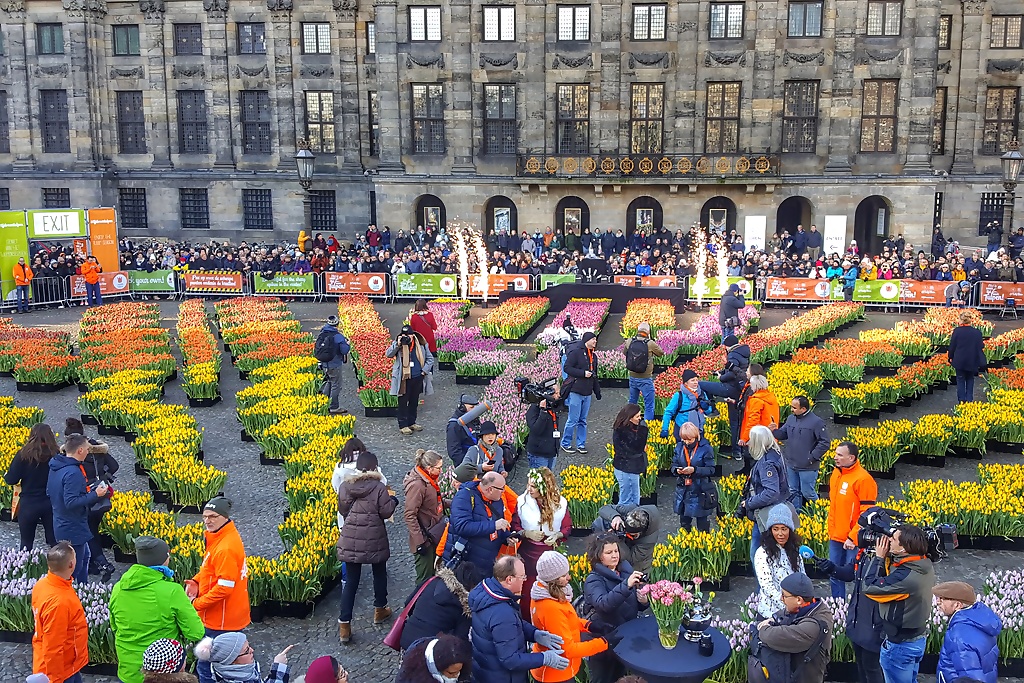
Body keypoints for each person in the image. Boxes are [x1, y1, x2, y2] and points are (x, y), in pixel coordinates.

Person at [109, 536, 206, 683]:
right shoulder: (172, 591)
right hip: (164, 674)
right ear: (164, 559)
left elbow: (115, 626)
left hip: (128, 671)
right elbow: (196, 632)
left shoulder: (118, 588)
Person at [468, 555, 568, 683]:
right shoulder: (502, 613)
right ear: (509, 579)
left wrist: (534, 634)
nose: (525, 581)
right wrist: (544, 658)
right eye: (522, 577)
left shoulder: (487, 594)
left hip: (485, 672)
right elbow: (511, 660)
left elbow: (511, 626)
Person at [183, 496, 250, 683]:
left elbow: (224, 588)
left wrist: (196, 604)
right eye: (205, 516)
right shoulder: (221, 538)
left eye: (213, 516)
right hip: (224, 616)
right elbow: (209, 569)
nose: (207, 521)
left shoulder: (225, 547)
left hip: (220, 620)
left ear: (224, 517)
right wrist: (196, 581)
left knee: (207, 667)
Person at [336, 451, 398, 644]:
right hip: (374, 536)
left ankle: (344, 625)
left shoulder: (346, 485)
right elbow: (385, 511)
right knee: (379, 572)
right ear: (374, 467)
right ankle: (380, 609)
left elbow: (343, 510)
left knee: (352, 581)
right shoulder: (378, 487)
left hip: (351, 537)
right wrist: (393, 500)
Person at [863, 525, 937, 683]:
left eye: (893, 539)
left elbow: (869, 587)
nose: (888, 540)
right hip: (916, 639)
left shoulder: (908, 578)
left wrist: (878, 558)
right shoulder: (923, 563)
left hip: (900, 645)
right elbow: (896, 567)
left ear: (903, 549)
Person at [816, 527, 885, 683]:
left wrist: (880, 558)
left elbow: (872, 584)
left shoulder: (887, 560)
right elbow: (850, 572)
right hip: (857, 621)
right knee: (861, 667)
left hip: (874, 626)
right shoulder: (865, 554)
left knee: (872, 669)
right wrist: (832, 568)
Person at [529, 551, 610, 683]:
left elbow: (566, 621)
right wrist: (604, 642)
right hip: (555, 675)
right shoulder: (550, 607)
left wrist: (589, 625)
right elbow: (568, 650)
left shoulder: (547, 594)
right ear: (553, 580)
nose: (569, 578)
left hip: (559, 671)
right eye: (563, 575)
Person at [582, 533, 649, 683]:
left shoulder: (626, 570)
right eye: (608, 552)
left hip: (625, 635)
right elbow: (603, 605)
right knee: (603, 678)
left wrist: (643, 600)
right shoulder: (594, 579)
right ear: (598, 556)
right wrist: (626, 585)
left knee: (621, 675)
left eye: (616, 551)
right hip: (603, 638)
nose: (614, 556)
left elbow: (632, 604)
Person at [47, 433, 111, 584]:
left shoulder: (56, 465)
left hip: (61, 521)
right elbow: (71, 502)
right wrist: (95, 494)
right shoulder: (73, 472)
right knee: (75, 566)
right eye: (87, 449)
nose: (89, 452)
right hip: (72, 525)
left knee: (86, 557)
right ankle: (77, 593)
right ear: (80, 450)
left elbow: (50, 492)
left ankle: (82, 590)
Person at [752, 572, 834, 683]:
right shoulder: (810, 607)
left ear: (799, 600)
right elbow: (785, 612)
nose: (781, 599)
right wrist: (774, 619)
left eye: (784, 596)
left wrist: (763, 628)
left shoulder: (814, 626)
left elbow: (775, 636)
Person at [63, 417, 118, 580]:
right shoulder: (95, 446)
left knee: (88, 531)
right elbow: (114, 465)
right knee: (93, 528)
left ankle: (101, 563)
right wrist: (103, 475)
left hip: (85, 497)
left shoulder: (69, 455)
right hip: (101, 496)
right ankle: (95, 562)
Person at [512, 468, 571, 617]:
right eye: (528, 484)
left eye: (533, 486)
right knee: (527, 589)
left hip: (549, 553)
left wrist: (558, 534)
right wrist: (526, 533)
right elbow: (514, 525)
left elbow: (567, 526)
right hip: (528, 554)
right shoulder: (522, 502)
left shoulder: (560, 503)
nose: (528, 489)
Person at [31, 542, 89, 683]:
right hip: (62, 671)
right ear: (71, 565)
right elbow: (53, 647)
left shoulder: (42, 584)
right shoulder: (60, 602)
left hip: (66, 665)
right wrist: (55, 679)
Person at [827, 441, 877, 599]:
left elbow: (867, 513)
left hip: (853, 540)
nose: (835, 457)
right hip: (835, 536)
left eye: (840, 455)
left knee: (857, 576)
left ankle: (857, 608)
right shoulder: (837, 474)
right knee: (834, 573)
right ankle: (838, 607)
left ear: (851, 457)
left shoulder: (863, 480)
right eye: (835, 454)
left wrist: (853, 536)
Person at [400, 561, 483, 650]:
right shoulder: (464, 606)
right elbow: (460, 640)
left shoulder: (432, 581)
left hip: (406, 639)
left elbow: (408, 603)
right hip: (429, 651)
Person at [737, 426, 790, 564]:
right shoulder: (775, 453)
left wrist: (749, 503)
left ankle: (763, 585)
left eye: (751, 440)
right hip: (775, 510)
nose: (748, 443)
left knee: (758, 556)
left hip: (766, 514)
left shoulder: (767, 463)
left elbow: (771, 492)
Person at [933, 581, 1002, 683]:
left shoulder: (959, 636)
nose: (938, 602)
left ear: (957, 605)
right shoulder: (979, 619)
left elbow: (970, 677)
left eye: (942, 599)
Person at [4, 422, 58, 550]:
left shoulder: (23, 455)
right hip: (50, 502)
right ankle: (58, 567)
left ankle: (27, 567)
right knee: (54, 541)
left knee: (26, 543)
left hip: (29, 503)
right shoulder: (56, 454)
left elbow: (11, 480)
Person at [443, 471, 511, 571]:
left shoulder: (497, 500)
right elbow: (462, 527)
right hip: (466, 564)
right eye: (502, 488)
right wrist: (493, 525)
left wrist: (507, 537)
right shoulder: (463, 497)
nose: (503, 491)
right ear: (490, 489)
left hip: (486, 563)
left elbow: (498, 525)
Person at [771, 396, 829, 510]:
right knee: (793, 491)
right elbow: (783, 434)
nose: (792, 409)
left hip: (808, 466)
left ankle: (819, 513)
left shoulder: (816, 422)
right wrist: (774, 430)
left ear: (803, 409)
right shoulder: (791, 419)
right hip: (791, 464)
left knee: (807, 493)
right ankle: (797, 515)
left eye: (794, 407)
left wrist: (811, 458)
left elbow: (825, 443)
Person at [698, 334, 750, 461]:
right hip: (740, 391)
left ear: (727, 346)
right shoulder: (744, 353)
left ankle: (712, 408)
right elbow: (738, 370)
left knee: (701, 384)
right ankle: (737, 452)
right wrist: (721, 372)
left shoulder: (732, 354)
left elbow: (732, 374)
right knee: (737, 422)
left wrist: (721, 377)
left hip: (730, 389)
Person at [753, 503, 805, 618]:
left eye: (784, 529)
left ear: (790, 530)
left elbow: (802, 578)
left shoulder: (795, 552)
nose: (780, 534)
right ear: (770, 531)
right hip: (770, 614)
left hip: (794, 610)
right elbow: (767, 586)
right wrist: (787, 606)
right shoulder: (762, 553)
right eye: (775, 529)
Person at [404, 449, 445, 583]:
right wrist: (420, 541)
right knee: (424, 580)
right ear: (429, 468)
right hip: (425, 539)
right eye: (439, 468)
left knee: (433, 575)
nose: (441, 471)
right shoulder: (417, 485)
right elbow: (410, 514)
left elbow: (434, 501)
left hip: (433, 533)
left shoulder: (428, 480)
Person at [387, 324, 435, 435]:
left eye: (408, 335)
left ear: (413, 335)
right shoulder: (398, 344)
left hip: (418, 376)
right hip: (403, 378)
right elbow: (388, 354)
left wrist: (424, 371)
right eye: (404, 335)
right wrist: (398, 345)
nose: (407, 337)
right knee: (403, 401)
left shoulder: (421, 344)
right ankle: (403, 425)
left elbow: (430, 359)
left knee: (414, 401)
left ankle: (412, 422)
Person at [671, 422, 717, 532]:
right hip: (683, 489)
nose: (687, 442)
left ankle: (703, 544)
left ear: (696, 437)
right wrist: (677, 470)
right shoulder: (679, 447)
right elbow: (673, 464)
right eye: (684, 439)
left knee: (702, 524)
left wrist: (695, 470)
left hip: (700, 489)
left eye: (690, 440)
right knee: (684, 522)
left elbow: (711, 469)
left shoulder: (706, 449)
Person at [561, 331, 601, 455]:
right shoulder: (576, 353)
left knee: (583, 420)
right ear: (586, 340)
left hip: (587, 392)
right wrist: (583, 373)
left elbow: (595, 375)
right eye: (593, 339)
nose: (595, 341)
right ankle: (565, 443)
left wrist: (597, 392)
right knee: (573, 419)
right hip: (576, 391)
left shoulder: (593, 357)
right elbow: (567, 368)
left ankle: (581, 444)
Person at [194, 634, 293, 683]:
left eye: (249, 646)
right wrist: (279, 668)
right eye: (246, 650)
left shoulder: (239, 675)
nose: (252, 650)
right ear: (231, 661)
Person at [591, 504, 659, 573]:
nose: (626, 534)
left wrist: (617, 539)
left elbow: (631, 559)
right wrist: (615, 517)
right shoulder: (631, 510)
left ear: (640, 533)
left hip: (626, 547)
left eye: (631, 535)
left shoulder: (647, 541)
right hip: (602, 526)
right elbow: (604, 509)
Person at [612, 404, 649, 507]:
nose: (640, 419)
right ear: (630, 418)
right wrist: (643, 430)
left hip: (629, 467)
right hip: (627, 469)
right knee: (628, 500)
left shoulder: (623, 428)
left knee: (632, 498)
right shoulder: (623, 432)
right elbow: (637, 447)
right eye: (637, 416)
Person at [625, 322, 664, 421]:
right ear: (648, 331)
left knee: (632, 402)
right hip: (645, 378)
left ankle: (629, 422)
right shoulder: (649, 343)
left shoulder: (630, 341)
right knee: (649, 405)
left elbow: (625, 352)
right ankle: (646, 426)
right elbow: (661, 353)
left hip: (633, 376)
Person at [661, 369, 713, 442]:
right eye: (692, 380)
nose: (695, 382)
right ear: (686, 383)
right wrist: (665, 429)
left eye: (696, 380)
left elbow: (709, 411)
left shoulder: (702, 394)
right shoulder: (679, 395)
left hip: (698, 430)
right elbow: (668, 412)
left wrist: (706, 408)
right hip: (682, 431)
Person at [396, 635, 472, 683]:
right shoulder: (412, 677)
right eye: (451, 673)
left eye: (459, 671)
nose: (456, 676)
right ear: (438, 668)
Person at [948, 310, 986, 403]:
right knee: (970, 379)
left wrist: (950, 357)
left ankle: (962, 400)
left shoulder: (957, 331)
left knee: (960, 380)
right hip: (972, 360)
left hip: (959, 360)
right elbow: (981, 346)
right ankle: (969, 400)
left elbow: (952, 346)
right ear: (970, 320)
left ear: (961, 320)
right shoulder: (977, 333)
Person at [317, 315, 352, 415]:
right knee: (336, 384)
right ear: (337, 324)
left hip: (324, 363)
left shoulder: (322, 333)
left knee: (329, 381)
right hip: (334, 363)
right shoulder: (338, 336)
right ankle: (334, 407)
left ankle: (323, 402)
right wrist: (347, 344)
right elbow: (344, 350)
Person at [525, 397, 560, 471]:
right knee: (540, 480)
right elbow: (536, 430)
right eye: (556, 393)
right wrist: (543, 411)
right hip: (539, 455)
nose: (558, 395)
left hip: (552, 451)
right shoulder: (534, 409)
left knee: (549, 480)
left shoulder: (552, 406)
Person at [447, 394, 482, 466]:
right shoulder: (454, 425)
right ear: (462, 408)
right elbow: (454, 452)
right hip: (466, 465)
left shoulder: (472, 418)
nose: (475, 410)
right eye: (471, 407)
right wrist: (468, 465)